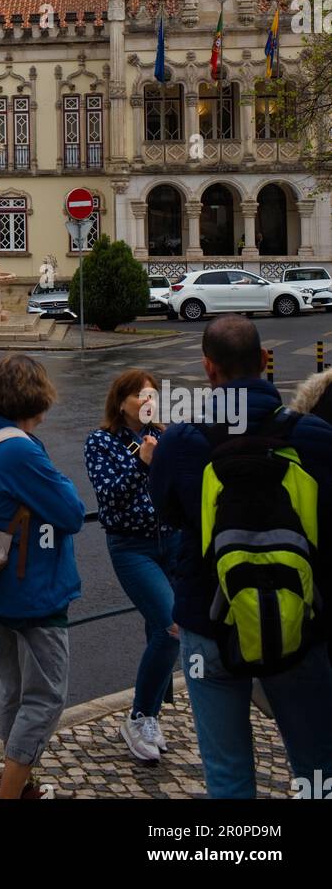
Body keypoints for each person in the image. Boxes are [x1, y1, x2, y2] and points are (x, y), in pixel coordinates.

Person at [149, 315, 332, 799]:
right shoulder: (314, 437)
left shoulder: (181, 442)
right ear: (264, 360)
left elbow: (167, 515)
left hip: (208, 623)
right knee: (316, 769)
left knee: (227, 775)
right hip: (301, 620)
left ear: (209, 369)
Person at [0, 355, 85, 799]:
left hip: (1, 589)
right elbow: (72, 512)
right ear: (34, 398)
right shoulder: (19, 448)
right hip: (34, 593)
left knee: (17, 691)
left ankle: (22, 786)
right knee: (45, 698)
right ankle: (11, 792)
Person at [84, 370, 179, 763]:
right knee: (171, 626)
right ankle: (139, 717)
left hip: (174, 541)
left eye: (153, 396)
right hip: (132, 547)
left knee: (166, 630)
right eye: (140, 396)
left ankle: (150, 718)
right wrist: (141, 463)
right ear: (121, 401)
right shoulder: (101, 442)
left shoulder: (166, 435)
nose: (147, 402)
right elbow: (109, 498)